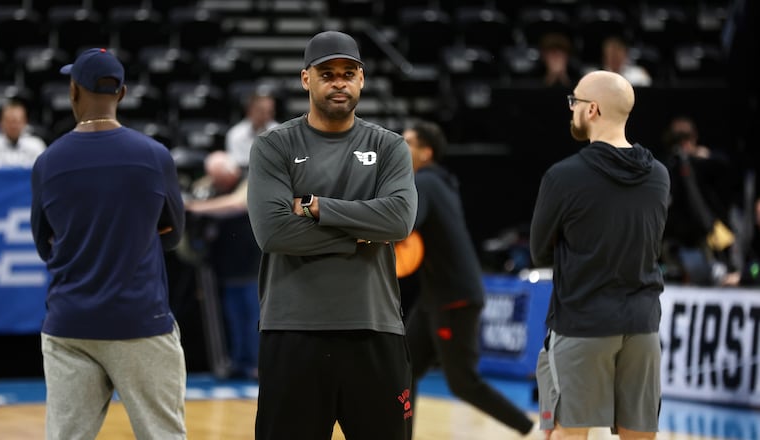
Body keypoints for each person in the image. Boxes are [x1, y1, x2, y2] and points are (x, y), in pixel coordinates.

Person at [246, 30, 418, 440]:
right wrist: (359, 236)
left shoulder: (390, 146)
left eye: (348, 73)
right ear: (306, 79)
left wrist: (316, 206)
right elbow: (273, 232)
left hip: (375, 329)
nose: (338, 82)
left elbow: (397, 221)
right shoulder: (274, 146)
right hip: (293, 331)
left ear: (361, 80)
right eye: (327, 74)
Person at [29, 48, 187, 440]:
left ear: (73, 91)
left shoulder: (48, 162)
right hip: (141, 323)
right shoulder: (154, 157)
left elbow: (44, 246)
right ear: (122, 93)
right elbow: (174, 236)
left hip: (70, 325)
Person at [529, 70, 670, 439]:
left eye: (574, 102)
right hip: (643, 326)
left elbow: (539, 251)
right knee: (639, 435)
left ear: (592, 110)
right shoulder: (659, 176)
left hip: (582, 322)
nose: (570, 109)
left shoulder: (562, 176)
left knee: (565, 434)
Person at [401, 119, 536, 438]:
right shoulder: (438, 182)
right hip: (436, 296)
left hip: (454, 298)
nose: (400, 147)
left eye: (407, 142)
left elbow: (405, 223)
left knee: (462, 383)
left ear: (426, 152)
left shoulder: (428, 184)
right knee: (401, 369)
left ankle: (528, 427)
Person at [184, 150, 261, 380]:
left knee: (253, 318)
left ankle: (257, 365)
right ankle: (238, 363)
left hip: (252, 264)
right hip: (226, 265)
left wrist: (195, 207)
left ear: (231, 172)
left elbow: (237, 204)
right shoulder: (211, 185)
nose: (217, 183)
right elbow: (197, 190)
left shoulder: (249, 179)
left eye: (220, 178)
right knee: (233, 318)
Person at [661, 115, 742, 286]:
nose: (683, 144)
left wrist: (703, 157)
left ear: (694, 137)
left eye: (686, 138)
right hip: (675, 242)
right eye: (678, 139)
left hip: (708, 240)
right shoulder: (666, 168)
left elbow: (728, 169)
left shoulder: (706, 163)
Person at [0, 100, 47, 168]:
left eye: (17, 121)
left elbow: (37, 173)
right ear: (0, 123)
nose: (13, 126)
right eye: (9, 121)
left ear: (25, 122)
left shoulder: (36, 145)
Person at [225, 91, 279, 169]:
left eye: (270, 112)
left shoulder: (280, 133)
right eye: (262, 111)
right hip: (242, 175)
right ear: (250, 110)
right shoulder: (235, 134)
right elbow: (234, 164)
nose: (266, 115)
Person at [588, 35, 653, 87]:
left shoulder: (639, 74)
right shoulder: (594, 76)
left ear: (625, 54)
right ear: (604, 56)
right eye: (611, 54)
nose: (615, 58)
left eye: (618, 53)